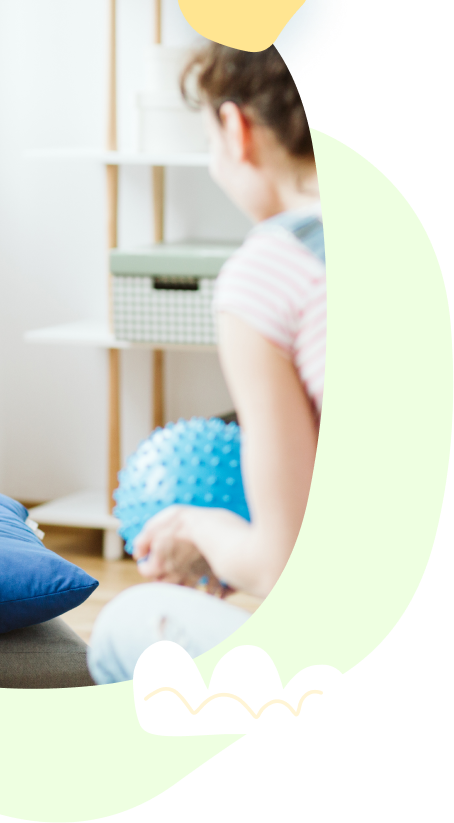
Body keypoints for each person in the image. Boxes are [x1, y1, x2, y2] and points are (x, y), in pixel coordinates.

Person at [87, 43, 325, 683]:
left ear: (234, 127)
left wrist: (200, 527)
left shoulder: (272, 268)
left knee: (126, 627)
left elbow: (282, 565)